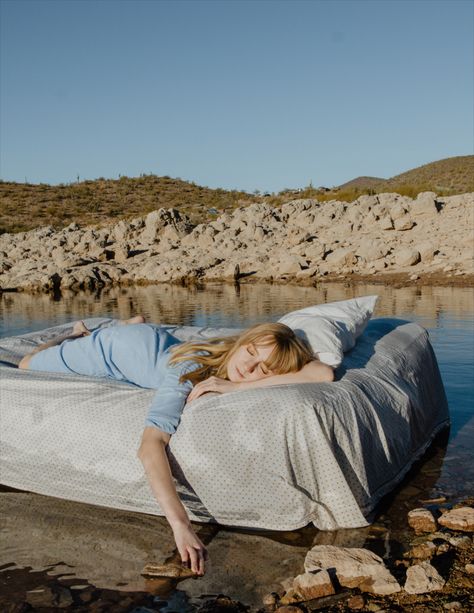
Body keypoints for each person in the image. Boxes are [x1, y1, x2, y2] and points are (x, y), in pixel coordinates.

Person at [18, 316, 334, 576]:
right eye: (250, 353)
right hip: (107, 350)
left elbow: (323, 373)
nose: (248, 368)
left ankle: (121, 326)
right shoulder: (187, 372)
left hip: (148, 338)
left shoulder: (226, 356)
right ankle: (72, 334)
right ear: (243, 343)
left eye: (263, 370)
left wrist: (235, 386)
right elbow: (150, 446)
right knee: (28, 363)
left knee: (129, 337)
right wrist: (180, 525)